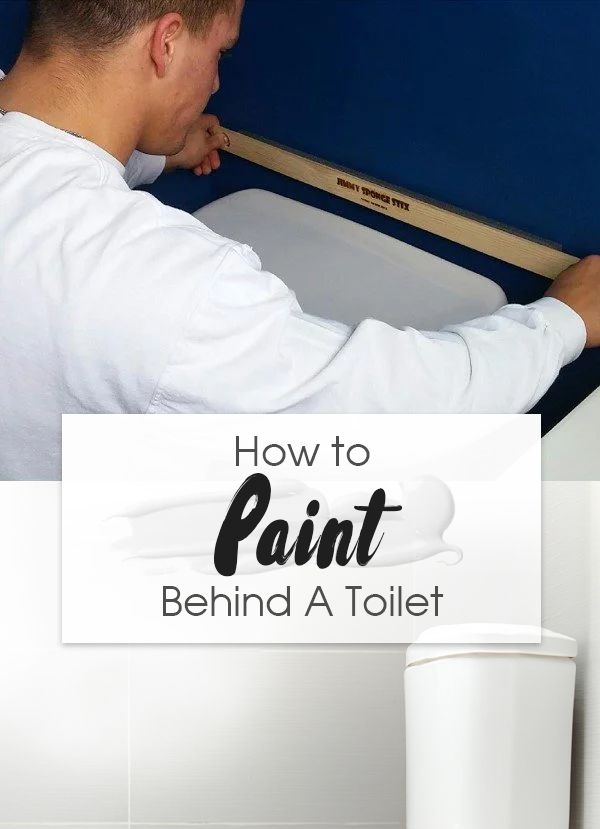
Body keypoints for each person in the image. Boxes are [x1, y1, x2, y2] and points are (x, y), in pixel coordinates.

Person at [0, 0, 598, 481]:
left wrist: (151, 152)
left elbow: (40, 181)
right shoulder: (158, 286)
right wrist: (560, 323)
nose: (213, 81)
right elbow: (394, 412)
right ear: (168, 42)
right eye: (220, 52)